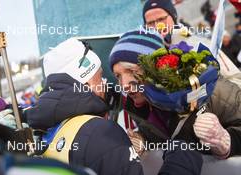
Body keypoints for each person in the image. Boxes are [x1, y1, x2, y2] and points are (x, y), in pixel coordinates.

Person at [109, 29, 241, 159]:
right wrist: (142, 139)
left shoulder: (211, 90)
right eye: (118, 76)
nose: (124, 84)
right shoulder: (141, 107)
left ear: (155, 68)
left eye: (131, 71)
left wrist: (226, 140)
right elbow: (164, 136)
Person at [25, 38, 144, 175]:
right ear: (85, 80)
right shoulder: (102, 132)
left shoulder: (43, 131)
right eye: (100, 76)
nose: (104, 84)